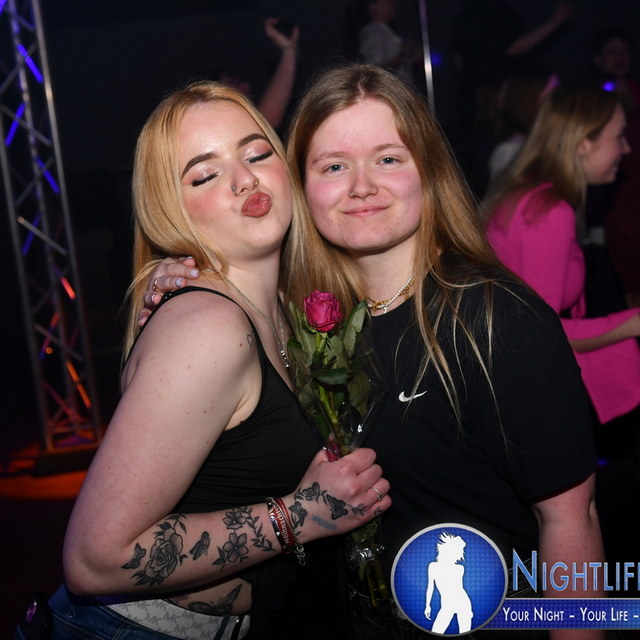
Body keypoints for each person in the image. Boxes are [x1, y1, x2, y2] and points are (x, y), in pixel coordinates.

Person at [146, 64, 604, 640]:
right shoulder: (303, 318)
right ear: (300, 185)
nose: (361, 186)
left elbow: (571, 521)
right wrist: (178, 272)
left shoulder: (498, 320)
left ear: (428, 170)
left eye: (388, 159)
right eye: (334, 166)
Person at [13, 81, 391, 640]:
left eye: (256, 153)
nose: (245, 179)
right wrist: (300, 515)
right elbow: (93, 559)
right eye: (205, 174)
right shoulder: (208, 326)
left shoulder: (283, 310)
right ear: (171, 209)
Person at [484, 85, 640, 426]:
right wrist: (631, 323)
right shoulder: (549, 211)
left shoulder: (530, 193)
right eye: (619, 137)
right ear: (583, 143)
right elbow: (542, 329)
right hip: (524, 392)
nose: (626, 148)